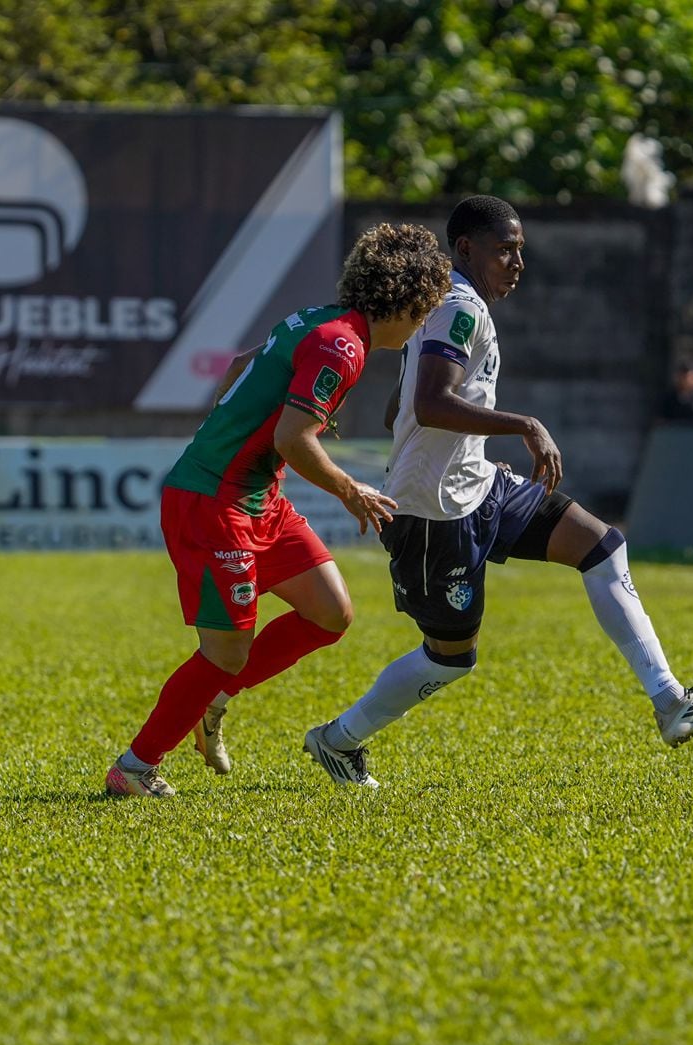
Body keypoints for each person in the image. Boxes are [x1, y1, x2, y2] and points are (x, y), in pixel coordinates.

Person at [272, 195, 693, 788]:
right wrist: (525, 425)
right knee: (451, 659)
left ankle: (670, 700)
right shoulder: (458, 307)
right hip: (432, 511)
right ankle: (339, 739)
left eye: (519, 250)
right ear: (465, 248)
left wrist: (455, 440)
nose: (517, 263)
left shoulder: (447, 304)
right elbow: (429, 403)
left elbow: (403, 405)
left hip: (479, 486)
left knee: (602, 547)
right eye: (504, 250)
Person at [104, 222, 452, 798]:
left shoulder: (317, 320)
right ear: (409, 300)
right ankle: (135, 768)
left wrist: (233, 426)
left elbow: (242, 365)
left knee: (329, 612)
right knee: (226, 651)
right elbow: (294, 438)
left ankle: (214, 698)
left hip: (258, 497)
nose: (423, 323)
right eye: (426, 310)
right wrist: (351, 489)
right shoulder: (344, 346)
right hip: (214, 502)